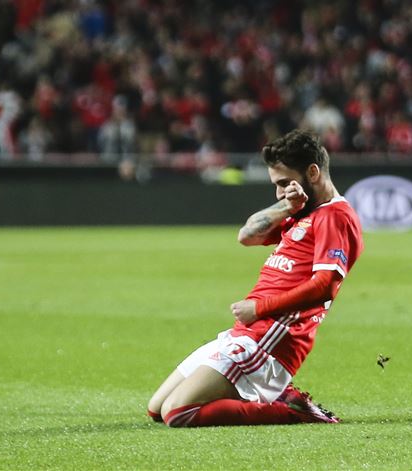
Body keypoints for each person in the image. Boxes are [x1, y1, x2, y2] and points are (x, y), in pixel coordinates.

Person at [147, 129, 364, 427]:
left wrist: (258, 309)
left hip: (271, 339)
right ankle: (273, 396)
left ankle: (290, 410)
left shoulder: (335, 217)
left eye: (286, 183)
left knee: (178, 413)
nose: (280, 191)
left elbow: (325, 286)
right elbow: (246, 236)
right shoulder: (300, 212)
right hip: (246, 332)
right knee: (156, 408)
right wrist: (287, 205)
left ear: (313, 172)